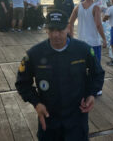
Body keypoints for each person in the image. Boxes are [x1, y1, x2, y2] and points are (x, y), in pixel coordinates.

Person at [16, 9, 105, 141]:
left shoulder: (83, 50)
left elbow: (97, 74)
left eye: (60, 30)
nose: (56, 35)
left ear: (68, 28)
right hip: (49, 119)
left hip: (77, 118)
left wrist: (91, 94)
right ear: (46, 30)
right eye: (51, 30)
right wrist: (37, 103)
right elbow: (22, 83)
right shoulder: (34, 54)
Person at [69, 0, 107, 95]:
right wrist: (104, 39)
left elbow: (70, 23)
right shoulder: (96, 8)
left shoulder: (77, 7)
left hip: (80, 43)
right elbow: (98, 25)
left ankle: (82, 87)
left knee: (81, 66)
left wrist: (71, 38)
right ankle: (95, 89)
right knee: (95, 67)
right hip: (94, 43)